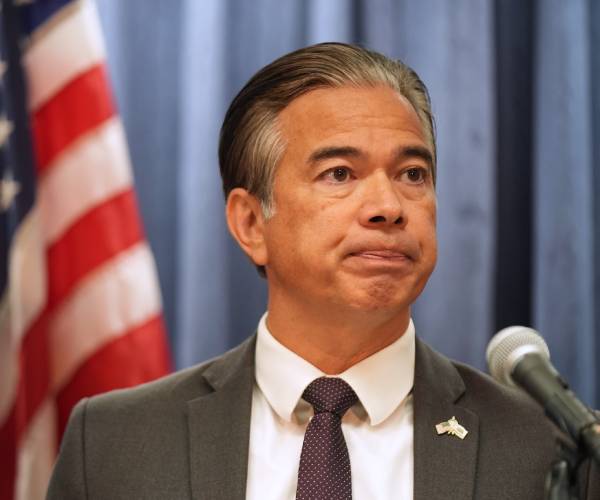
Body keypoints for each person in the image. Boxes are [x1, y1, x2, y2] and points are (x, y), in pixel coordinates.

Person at [46, 42, 599, 499]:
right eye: (339, 174)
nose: (388, 206)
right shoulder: (115, 443)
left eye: (412, 173)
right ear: (250, 223)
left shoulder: (549, 448)